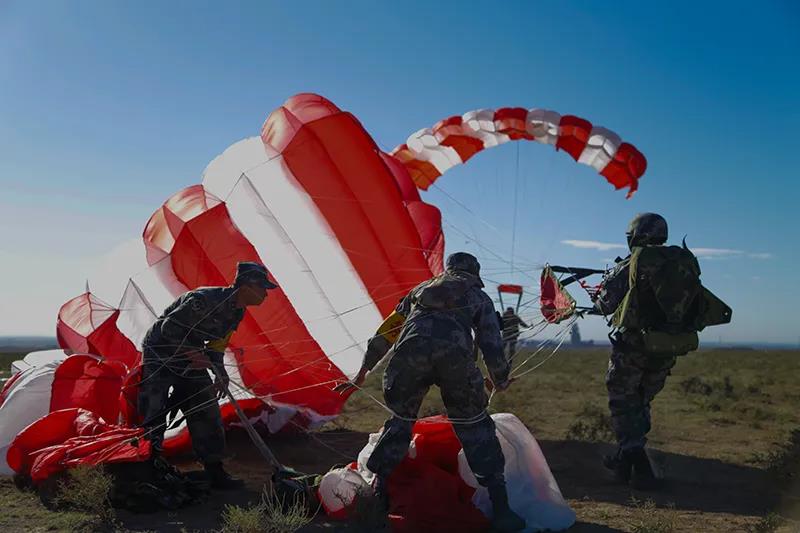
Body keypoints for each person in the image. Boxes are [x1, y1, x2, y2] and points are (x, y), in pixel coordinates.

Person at [336, 252, 526, 532]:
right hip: (455, 361)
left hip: (408, 358)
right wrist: (499, 379)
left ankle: (378, 496)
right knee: (474, 425)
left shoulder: (419, 290)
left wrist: (363, 371)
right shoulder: (479, 297)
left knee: (400, 421)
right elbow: (491, 343)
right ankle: (502, 510)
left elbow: (388, 330)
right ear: (474, 274)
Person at [138, 261, 277, 489]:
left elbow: (216, 345)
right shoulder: (203, 300)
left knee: (206, 407)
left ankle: (214, 471)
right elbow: (168, 329)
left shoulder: (238, 311)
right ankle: (147, 468)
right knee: (154, 409)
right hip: (160, 352)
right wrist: (192, 353)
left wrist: (220, 374)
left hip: (191, 355)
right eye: (262, 288)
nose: (265, 294)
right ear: (246, 286)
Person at [593, 213, 697, 489]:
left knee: (622, 402)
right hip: (667, 347)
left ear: (635, 237)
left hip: (634, 347)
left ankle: (641, 470)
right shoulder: (680, 265)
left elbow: (605, 305)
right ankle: (623, 464)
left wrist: (599, 296)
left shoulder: (633, 264)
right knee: (640, 402)